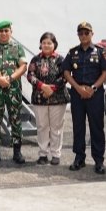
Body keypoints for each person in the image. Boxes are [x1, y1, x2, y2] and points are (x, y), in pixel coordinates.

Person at [62, 21, 106, 174]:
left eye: (86, 33)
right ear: (78, 35)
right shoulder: (72, 52)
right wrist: (77, 88)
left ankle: (99, 160)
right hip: (77, 94)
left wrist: (93, 88)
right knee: (78, 126)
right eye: (81, 33)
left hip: (95, 94)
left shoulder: (100, 51)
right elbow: (66, 72)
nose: (83, 35)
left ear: (92, 34)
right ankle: (79, 158)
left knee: (97, 127)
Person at [0, 20, 27, 165]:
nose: (4, 33)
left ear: (11, 32)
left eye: (6, 31)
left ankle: (17, 151)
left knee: (15, 119)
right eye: (1, 31)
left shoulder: (17, 48)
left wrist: (10, 78)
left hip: (14, 89)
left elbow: (23, 66)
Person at [27, 32, 70, 166]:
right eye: (44, 43)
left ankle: (56, 154)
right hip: (40, 98)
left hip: (58, 98)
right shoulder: (35, 59)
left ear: (54, 44)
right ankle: (43, 154)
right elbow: (30, 75)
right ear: (40, 44)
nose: (46, 45)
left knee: (56, 127)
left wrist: (52, 88)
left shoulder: (61, 60)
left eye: (49, 43)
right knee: (42, 127)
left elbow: (65, 76)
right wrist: (43, 86)